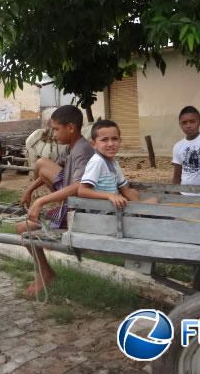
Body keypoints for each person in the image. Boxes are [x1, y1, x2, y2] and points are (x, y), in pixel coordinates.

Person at [16, 105, 94, 295]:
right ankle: (45, 272)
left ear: (71, 128)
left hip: (79, 212)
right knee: (42, 163)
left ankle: (45, 273)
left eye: (56, 128)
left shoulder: (82, 150)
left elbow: (78, 187)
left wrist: (40, 202)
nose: (53, 133)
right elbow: (46, 173)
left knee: (22, 228)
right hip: (72, 206)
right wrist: (29, 192)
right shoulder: (70, 148)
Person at [78, 120, 141, 207]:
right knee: (153, 201)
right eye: (104, 140)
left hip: (113, 208)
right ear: (93, 144)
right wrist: (110, 196)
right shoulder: (97, 161)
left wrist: (141, 208)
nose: (111, 144)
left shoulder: (114, 163)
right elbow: (82, 191)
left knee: (134, 192)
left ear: (120, 141)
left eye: (114, 139)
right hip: (102, 212)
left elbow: (126, 191)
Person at [171, 106, 200, 195]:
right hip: (184, 193)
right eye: (184, 123)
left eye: (192, 121)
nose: (188, 126)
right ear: (180, 125)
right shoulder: (178, 146)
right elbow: (177, 175)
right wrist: (174, 194)